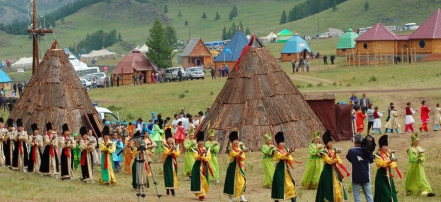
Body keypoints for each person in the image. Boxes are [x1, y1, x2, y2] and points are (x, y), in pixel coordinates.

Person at [316, 130, 349, 202]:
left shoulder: (334, 150)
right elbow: (329, 161)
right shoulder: (324, 152)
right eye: (330, 142)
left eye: (332, 142)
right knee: (328, 188)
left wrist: (337, 158)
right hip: (327, 173)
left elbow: (339, 160)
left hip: (334, 171)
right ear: (326, 143)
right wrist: (334, 157)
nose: (331, 144)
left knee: (337, 186)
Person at [346, 134, 374, 202]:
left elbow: (349, 158)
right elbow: (371, 160)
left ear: (354, 141)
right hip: (365, 175)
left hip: (356, 176)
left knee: (357, 196)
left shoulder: (351, 151)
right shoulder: (367, 151)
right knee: (369, 195)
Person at [271, 132, 297, 202]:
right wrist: (288, 154)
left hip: (286, 172)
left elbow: (291, 159)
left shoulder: (285, 150)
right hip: (279, 172)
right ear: (278, 143)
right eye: (281, 142)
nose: (283, 144)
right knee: (278, 188)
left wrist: (289, 155)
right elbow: (281, 157)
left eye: (284, 142)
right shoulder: (275, 151)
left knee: (291, 187)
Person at [374, 135, 400, 202]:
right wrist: (390, 161)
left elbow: (393, 164)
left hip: (389, 176)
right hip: (381, 177)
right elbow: (381, 163)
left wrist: (392, 161)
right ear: (380, 147)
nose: (386, 148)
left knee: (390, 191)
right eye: (384, 146)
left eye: (387, 146)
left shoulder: (389, 153)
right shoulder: (378, 155)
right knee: (384, 193)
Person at [224, 131, 248, 202]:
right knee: (232, 183)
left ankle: (242, 196)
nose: (236, 141)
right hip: (232, 168)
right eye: (235, 140)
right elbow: (235, 154)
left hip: (239, 167)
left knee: (242, 181)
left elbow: (243, 157)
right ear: (232, 142)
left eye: (237, 140)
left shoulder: (240, 147)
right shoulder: (230, 149)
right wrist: (241, 151)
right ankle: (230, 198)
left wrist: (242, 151)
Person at [190, 131, 212, 201]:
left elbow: (209, 157)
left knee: (205, 180)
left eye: (202, 141)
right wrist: (201, 154)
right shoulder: (195, 149)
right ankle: (201, 195)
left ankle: (203, 193)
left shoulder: (207, 149)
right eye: (200, 141)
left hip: (205, 166)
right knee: (199, 180)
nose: (201, 143)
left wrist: (204, 158)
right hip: (197, 167)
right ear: (197, 142)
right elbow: (196, 157)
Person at [162, 128, 180, 196]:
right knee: (168, 176)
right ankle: (169, 190)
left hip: (174, 162)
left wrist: (174, 152)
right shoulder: (165, 146)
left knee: (174, 176)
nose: (170, 140)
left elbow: (178, 153)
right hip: (167, 162)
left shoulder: (176, 146)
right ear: (166, 139)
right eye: (169, 138)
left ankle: (173, 189)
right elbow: (167, 152)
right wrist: (171, 151)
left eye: (171, 138)